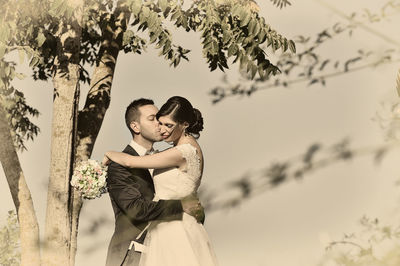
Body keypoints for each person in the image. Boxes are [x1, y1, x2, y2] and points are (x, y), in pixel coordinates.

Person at [103, 96, 218, 266]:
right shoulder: (119, 166)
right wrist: (181, 206)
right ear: (135, 126)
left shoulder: (180, 152)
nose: (159, 126)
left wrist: (109, 153)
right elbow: (136, 210)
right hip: (131, 253)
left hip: (174, 236)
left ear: (184, 124)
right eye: (154, 119)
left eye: (164, 122)